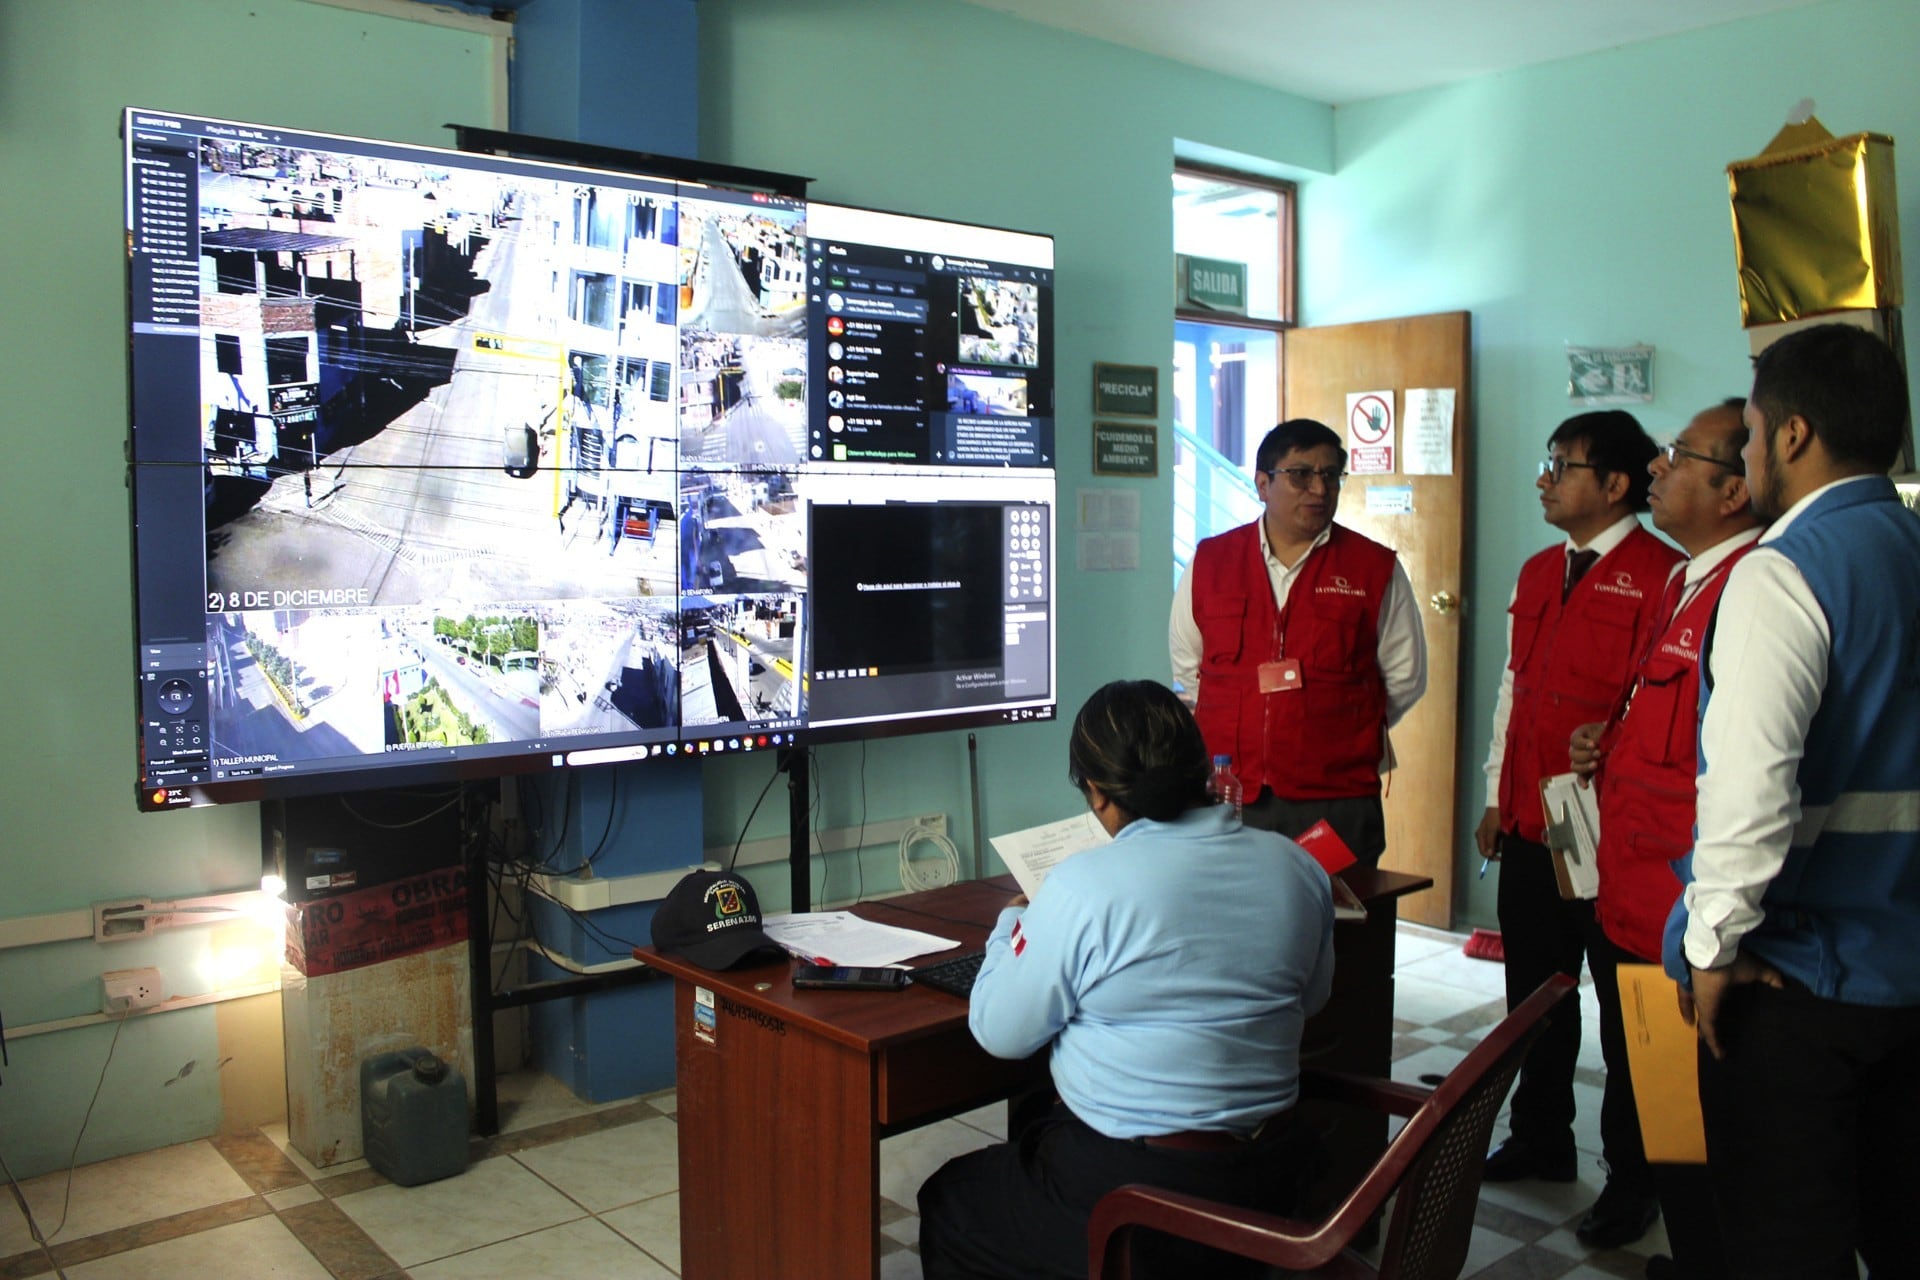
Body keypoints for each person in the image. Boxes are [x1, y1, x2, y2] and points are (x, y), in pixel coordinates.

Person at [917, 680, 1335, 1280]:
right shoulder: (1297, 867)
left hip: (1138, 1198)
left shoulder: (1085, 886)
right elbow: (1312, 998)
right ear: (1199, 768)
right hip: (1269, 1184)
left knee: (953, 1200)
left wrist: (1014, 921)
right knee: (1039, 1132)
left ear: (1097, 795)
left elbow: (1000, 1034)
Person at [1661, 323, 1920, 1278]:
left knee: (1783, 1242)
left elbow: (1750, 793)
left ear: (1796, 436)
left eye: (1756, 434)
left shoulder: (1785, 569)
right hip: (1905, 972)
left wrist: (1712, 947)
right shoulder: (1908, 544)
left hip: (1799, 982)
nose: (1753, 455)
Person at [1566, 399, 1761, 1278]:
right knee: (1666, 1117)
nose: (1656, 469)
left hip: (1682, 921)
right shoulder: (1690, 579)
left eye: (1677, 456)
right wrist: (1609, 744)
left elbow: (1744, 784)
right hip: (1633, 898)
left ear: (1733, 488)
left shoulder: (1751, 589)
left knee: (1701, 1137)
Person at [1476, 410, 1679, 1237]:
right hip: (1535, 825)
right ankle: (1540, 1137)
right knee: (1536, 997)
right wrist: (1495, 795)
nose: (1544, 478)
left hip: (1620, 839)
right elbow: (1511, 694)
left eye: (1561, 465)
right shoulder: (1536, 571)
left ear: (1616, 485)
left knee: (1634, 1013)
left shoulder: (1666, 576)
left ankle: (1637, 1180)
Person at [1170, 418, 1427, 864]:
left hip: (1335, 800)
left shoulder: (1373, 568)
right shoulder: (1212, 561)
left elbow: (1405, 677)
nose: (1320, 489)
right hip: (1231, 796)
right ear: (1263, 484)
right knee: (1237, 924)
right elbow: (1189, 668)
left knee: (1338, 927)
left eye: (1331, 475)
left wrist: (1338, 726)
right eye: (1301, 474)